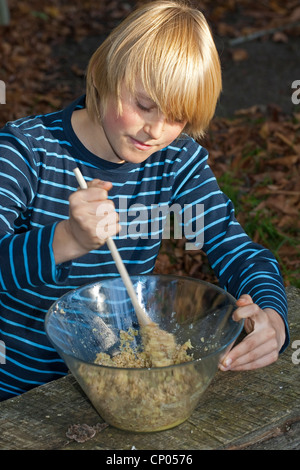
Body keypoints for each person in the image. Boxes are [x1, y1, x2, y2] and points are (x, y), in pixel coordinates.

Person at [0, 0, 288, 401]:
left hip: (124, 384)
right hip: (18, 392)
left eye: (176, 117)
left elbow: (235, 248)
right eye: (143, 105)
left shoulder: (174, 161)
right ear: (105, 74)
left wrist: (272, 317)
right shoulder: (25, 153)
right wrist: (66, 239)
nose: (155, 130)